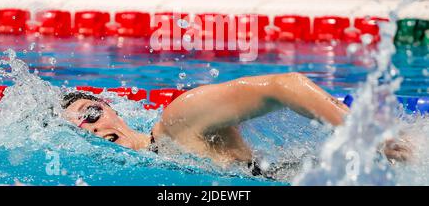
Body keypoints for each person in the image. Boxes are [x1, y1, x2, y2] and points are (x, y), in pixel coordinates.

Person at [61, 72, 411, 178]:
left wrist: (368, 136)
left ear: (112, 109)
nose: (88, 127)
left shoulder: (175, 124)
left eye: (89, 113)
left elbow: (285, 85)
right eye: (77, 127)